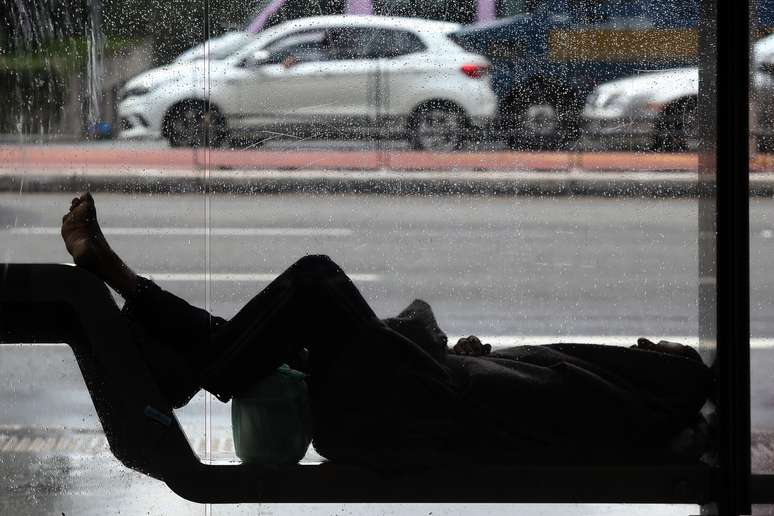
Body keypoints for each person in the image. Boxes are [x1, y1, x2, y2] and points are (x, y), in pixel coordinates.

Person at [61, 192, 713, 468]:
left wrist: (437, 346)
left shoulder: (617, 401)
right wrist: (467, 354)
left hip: (411, 409)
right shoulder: (607, 388)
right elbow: (518, 391)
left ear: (663, 379)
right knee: (272, 332)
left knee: (318, 283)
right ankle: (139, 301)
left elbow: (507, 407)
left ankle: (171, 344)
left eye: (668, 352)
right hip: (409, 401)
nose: (650, 342)